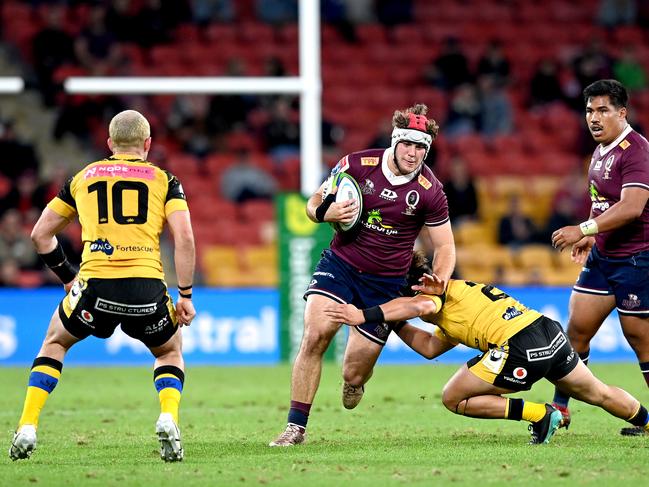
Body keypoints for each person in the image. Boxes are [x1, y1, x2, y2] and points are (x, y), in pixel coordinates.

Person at [8, 110, 196, 462]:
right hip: (147, 289)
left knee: (55, 342)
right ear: (148, 144)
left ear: (110, 144)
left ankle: (28, 425)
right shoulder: (164, 179)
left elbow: (40, 235)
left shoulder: (83, 176)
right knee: (169, 352)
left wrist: (67, 276)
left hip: (95, 287)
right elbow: (184, 237)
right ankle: (168, 417)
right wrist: (184, 295)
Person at [268, 104, 456, 446]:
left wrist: (438, 283)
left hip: (386, 284)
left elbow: (444, 247)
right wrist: (327, 212)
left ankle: (355, 381)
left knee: (353, 372)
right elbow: (313, 204)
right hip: (339, 266)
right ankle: (295, 427)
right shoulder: (357, 165)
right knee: (316, 335)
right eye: (408, 145)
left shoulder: (431, 190)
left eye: (421, 148)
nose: (414, 154)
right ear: (395, 141)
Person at [323, 251, 649, 444]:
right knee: (599, 393)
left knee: (454, 397)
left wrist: (363, 314)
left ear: (411, 285)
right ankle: (647, 423)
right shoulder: (457, 299)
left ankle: (540, 414)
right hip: (548, 332)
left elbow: (418, 308)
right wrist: (395, 323)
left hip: (518, 346)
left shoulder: (431, 294)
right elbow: (431, 347)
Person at [550, 79, 649, 436]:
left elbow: (632, 207)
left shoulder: (635, 150)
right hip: (604, 257)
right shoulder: (601, 149)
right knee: (575, 331)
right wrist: (593, 239)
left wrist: (584, 229)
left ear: (622, 113)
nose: (594, 117)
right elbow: (602, 201)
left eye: (603, 110)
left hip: (637, 258)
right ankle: (559, 410)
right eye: (590, 110)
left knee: (640, 338)